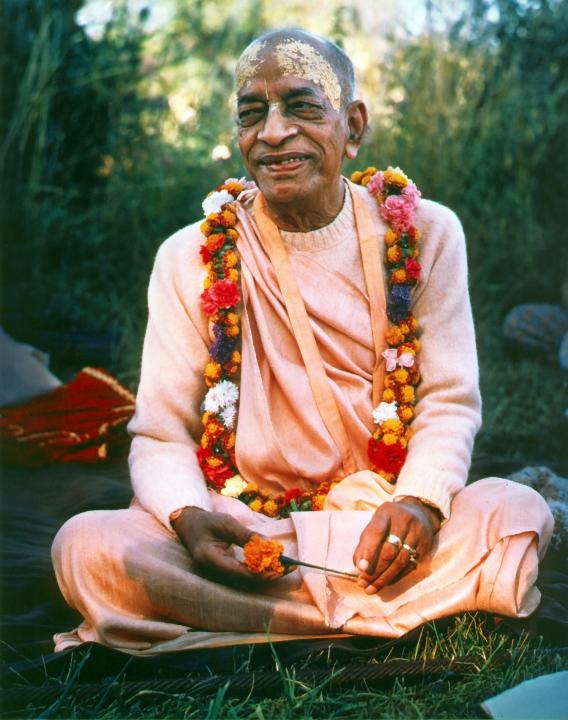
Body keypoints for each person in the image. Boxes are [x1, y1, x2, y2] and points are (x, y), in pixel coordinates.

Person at [52, 29, 554, 652]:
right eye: (252, 114)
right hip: (246, 530)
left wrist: (423, 504)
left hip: (384, 525)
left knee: (513, 510)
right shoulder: (190, 257)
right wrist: (190, 519)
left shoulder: (424, 233)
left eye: (302, 106)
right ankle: (379, 614)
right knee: (88, 547)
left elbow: (449, 402)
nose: (273, 133)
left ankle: (256, 623)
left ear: (353, 124)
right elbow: (160, 432)